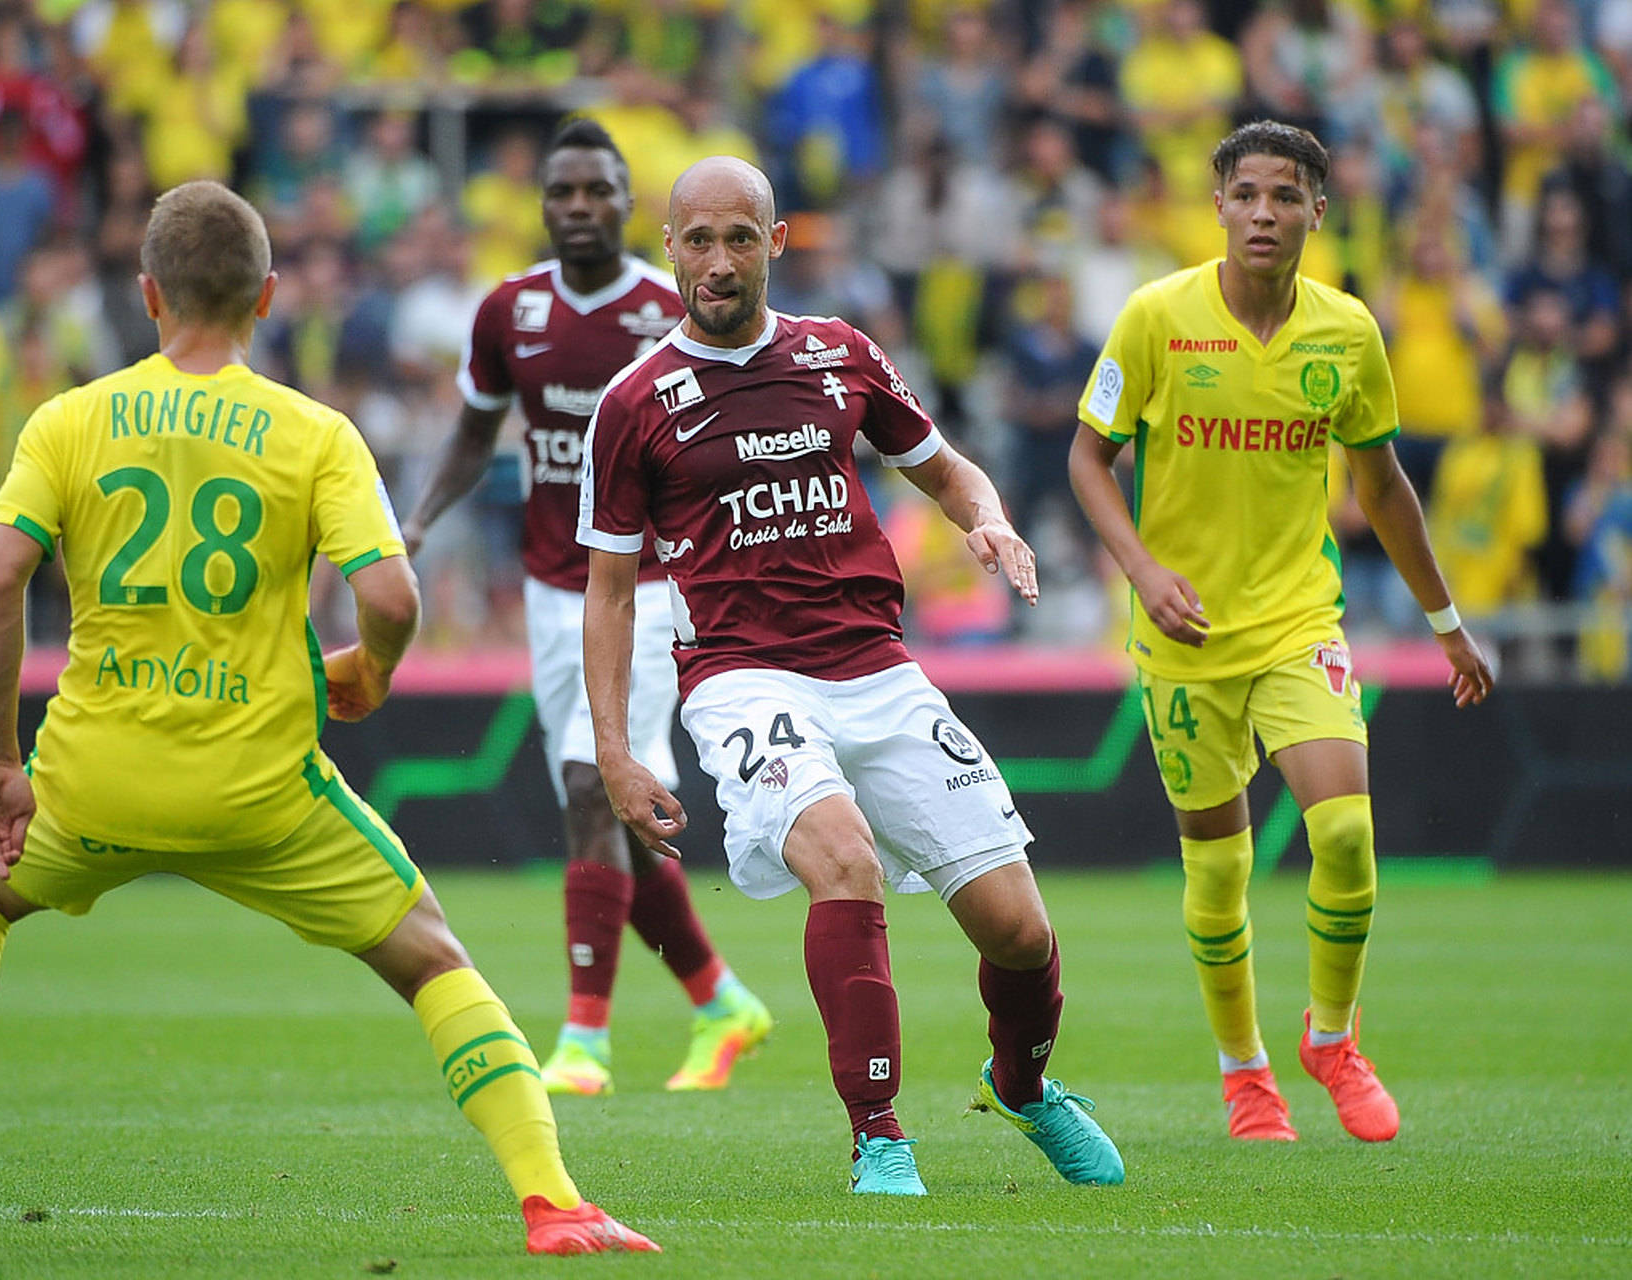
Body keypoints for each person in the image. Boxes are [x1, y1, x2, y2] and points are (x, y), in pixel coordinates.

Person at [0, 180, 657, 1258]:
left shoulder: (69, 419)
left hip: (93, 777)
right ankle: (553, 1202)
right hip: (262, 791)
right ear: (267, 295)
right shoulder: (312, 432)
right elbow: (392, 596)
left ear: (147, 292)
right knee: (434, 959)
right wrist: (370, 669)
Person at [577, 155, 1125, 1195]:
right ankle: (878, 1131)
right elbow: (607, 591)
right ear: (667, 250)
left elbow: (944, 466)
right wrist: (613, 747)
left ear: (776, 243)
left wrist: (987, 517)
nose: (719, 260)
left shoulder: (841, 355)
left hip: (876, 666)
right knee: (844, 856)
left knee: (1015, 927)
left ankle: (1021, 1085)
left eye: (741, 237)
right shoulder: (633, 403)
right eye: (698, 239)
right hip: (742, 676)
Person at [1066, 121, 1495, 1145]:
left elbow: (1381, 485)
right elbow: (1087, 458)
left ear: (1316, 210)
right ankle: (1242, 1072)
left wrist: (1444, 623)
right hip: (1182, 636)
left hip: (1298, 616)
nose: (1263, 212)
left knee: (1342, 829)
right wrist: (1142, 569)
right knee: (1217, 868)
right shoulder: (1154, 318)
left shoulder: (1345, 332)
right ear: (1217, 205)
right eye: (1245, 194)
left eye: (1283, 195)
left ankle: (1331, 1037)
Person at [401, 117, 771, 1097]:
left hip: (648, 588)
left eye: (596, 190)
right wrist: (419, 521)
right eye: (560, 191)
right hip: (545, 588)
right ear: (542, 203)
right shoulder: (507, 310)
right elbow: (477, 432)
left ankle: (584, 1040)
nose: (577, 206)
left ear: (627, 204)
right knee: (613, 806)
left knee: (584, 778)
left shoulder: (672, 308)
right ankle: (720, 998)